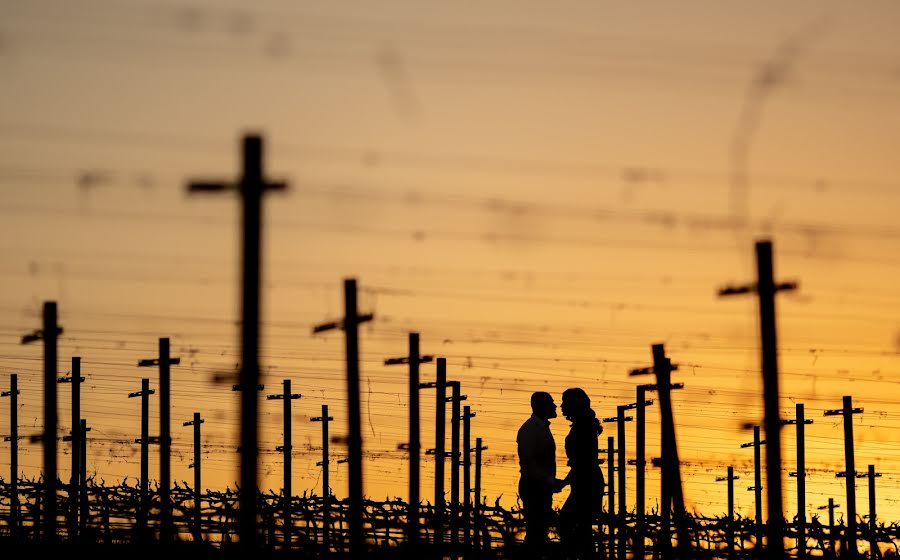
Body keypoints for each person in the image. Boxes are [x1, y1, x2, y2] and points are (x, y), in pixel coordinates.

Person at [517, 391, 565, 558]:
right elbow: (529, 464)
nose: (555, 406)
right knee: (537, 532)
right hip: (533, 487)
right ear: (539, 406)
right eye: (550, 403)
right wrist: (550, 481)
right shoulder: (529, 430)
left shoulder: (541, 428)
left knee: (538, 533)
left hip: (541, 487)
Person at [558, 387, 605, 559]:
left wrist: (564, 482)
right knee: (580, 527)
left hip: (586, 481)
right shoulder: (583, 424)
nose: (561, 406)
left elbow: (583, 460)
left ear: (573, 405)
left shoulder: (583, 426)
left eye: (565, 402)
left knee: (567, 523)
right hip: (584, 480)